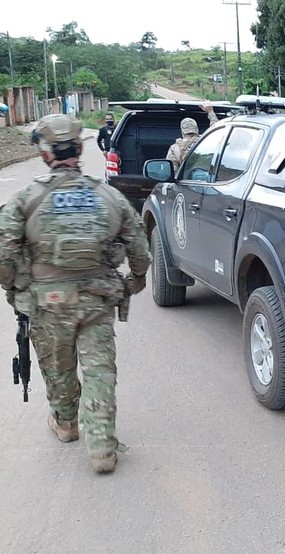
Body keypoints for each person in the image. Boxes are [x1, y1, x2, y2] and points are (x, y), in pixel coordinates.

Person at [0, 114, 151, 474]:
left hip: (48, 303)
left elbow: (5, 252)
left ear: (43, 152)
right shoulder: (108, 196)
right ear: (81, 148)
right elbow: (138, 245)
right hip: (97, 300)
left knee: (58, 366)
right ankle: (101, 448)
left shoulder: (26, 198)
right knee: (100, 369)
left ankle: (66, 425)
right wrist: (138, 279)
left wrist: (12, 288)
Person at [166, 102, 218, 168]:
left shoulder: (175, 148)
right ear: (196, 129)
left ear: (182, 131)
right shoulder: (205, 140)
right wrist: (210, 111)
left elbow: (172, 170)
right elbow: (215, 129)